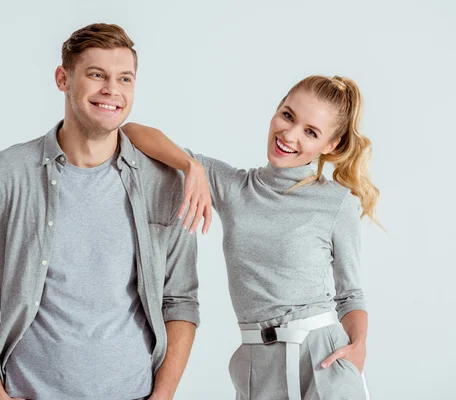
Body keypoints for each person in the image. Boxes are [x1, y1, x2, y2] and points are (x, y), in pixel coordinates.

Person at [0, 23, 199, 400]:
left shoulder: (164, 183)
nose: (111, 91)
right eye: (96, 74)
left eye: (125, 79)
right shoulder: (4, 175)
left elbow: (179, 299)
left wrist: (162, 396)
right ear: (63, 79)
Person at [123, 75, 379, 400]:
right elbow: (132, 134)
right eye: (287, 115)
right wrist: (192, 166)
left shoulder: (336, 202)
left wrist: (359, 347)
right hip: (256, 365)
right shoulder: (234, 188)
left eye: (310, 132)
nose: (289, 134)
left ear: (330, 146)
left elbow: (350, 294)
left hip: (321, 361)